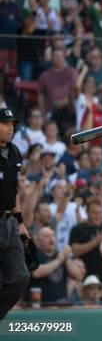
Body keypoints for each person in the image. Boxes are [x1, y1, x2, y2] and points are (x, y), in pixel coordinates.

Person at [0, 107, 30, 319]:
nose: (9, 129)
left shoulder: (15, 152)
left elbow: (15, 190)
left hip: (9, 221)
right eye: (4, 124)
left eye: (11, 125)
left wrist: (20, 221)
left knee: (20, 277)